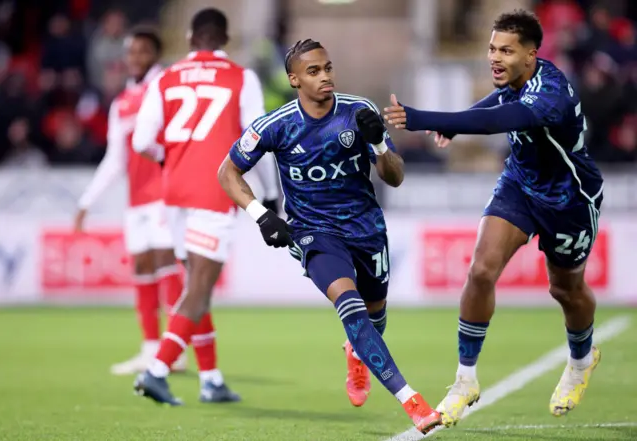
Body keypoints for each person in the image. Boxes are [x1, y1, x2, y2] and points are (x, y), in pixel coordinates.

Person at [383, 9, 604, 427]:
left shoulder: (551, 93)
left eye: (506, 50)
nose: (495, 57)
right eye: (491, 48)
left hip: (569, 199)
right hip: (519, 186)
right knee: (481, 271)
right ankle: (465, 379)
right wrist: (458, 124)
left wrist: (427, 119)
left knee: (566, 290)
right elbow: (496, 102)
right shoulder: (517, 80)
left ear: (531, 55)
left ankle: (580, 359)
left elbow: (501, 119)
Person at [217, 39, 442, 434]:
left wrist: (376, 143)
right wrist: (260, 214)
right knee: (349, 304)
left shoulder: (359, 112)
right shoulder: (277, 125)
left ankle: (357, 352)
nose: (325, 77)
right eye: (314, 71)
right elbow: (227, 173)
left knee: (374, 316)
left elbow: (396, 176)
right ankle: (412, 401)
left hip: (366, 229)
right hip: (313, 233)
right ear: (294, 80)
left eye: (328, 68)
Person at [131, 8, 279, 405]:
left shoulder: (165, 77)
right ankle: (157, 370)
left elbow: (141, 140)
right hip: (215, 192)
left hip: (175, 193)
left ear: (188, 36)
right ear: (225, 39)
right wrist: (268, 193)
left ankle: (210, 379)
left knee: (197, 284)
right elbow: (256, 139)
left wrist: (173, 160)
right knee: (199, 287)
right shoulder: (240, 77)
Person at [75, 27, 187, 376]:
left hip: (165, 193)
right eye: (130, 52)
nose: (135, 58)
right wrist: (86, 202)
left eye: (142, 51)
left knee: (165, 259)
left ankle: (175, 349)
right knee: (141, 265)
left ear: (155, 53)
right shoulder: (122, 102)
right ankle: (150, 349)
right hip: (136, 198)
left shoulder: (167, 89)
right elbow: (114, 158)